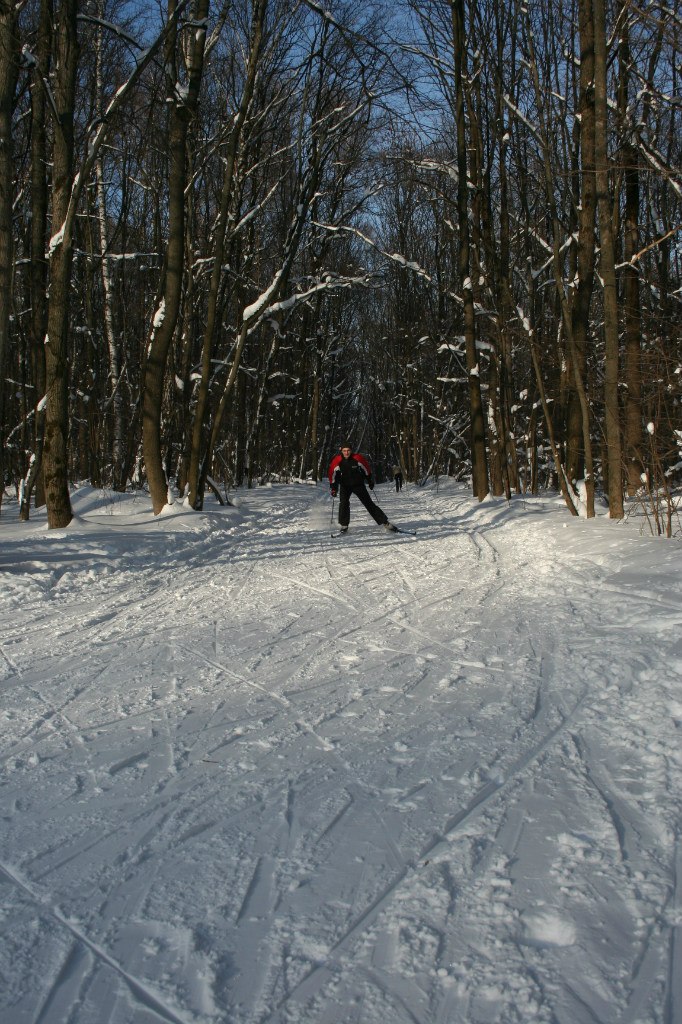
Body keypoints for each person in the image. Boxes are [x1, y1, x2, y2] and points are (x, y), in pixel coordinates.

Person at [328, 444, 397, 533]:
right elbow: (332, 475)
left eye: (348, 450)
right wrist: (334, 488)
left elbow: (367, 470)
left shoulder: (357, 458)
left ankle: (386, 523)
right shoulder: (337, 460)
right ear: (341, 451)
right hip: (345, 486)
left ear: (351, 450)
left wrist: (370, 481)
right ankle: (344, 525)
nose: (346, 453)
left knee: (368, 503)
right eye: (344, 451)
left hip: (358, 485)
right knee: (343, 503)